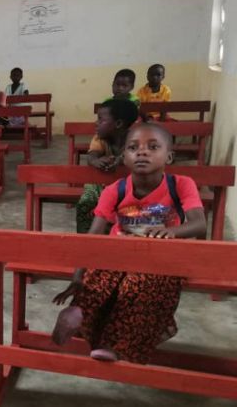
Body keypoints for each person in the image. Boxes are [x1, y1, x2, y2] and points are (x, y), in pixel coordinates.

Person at [52, 123, 206, 364]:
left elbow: (199, 224)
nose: (142, 152)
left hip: (161, 256)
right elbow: (93, 236)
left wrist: (171, 231)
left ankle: (107, 337)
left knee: (136, 286)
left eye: (153, 147)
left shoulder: (181, 184)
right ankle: (82, 315)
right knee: (98, 281)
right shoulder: (116, 189)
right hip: (120, 252)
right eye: (133, 148)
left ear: (169, 155)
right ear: (124, 157)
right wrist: (78, 274)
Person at [76, 99, 140, 233]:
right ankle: (84, 239)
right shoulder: (99, 138)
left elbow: (134, 157)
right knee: (85, 202)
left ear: (118, 123)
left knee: (132, 210)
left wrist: (120, 161)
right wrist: (95, 161)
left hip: (128, 186)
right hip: (100, 185)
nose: (96, 123)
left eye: (101, 120)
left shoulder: (135, 139)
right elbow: (92, 154)